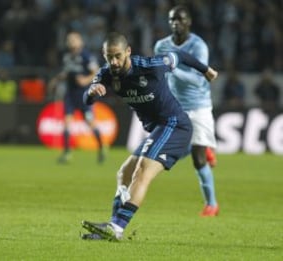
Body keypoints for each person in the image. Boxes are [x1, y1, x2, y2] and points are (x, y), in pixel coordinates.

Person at [80, 32, 218, 241]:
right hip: (158, 128)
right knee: (123, 173)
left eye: (118, 55)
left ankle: (116, 228)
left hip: (175, 124)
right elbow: (87, 99)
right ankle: (112, 226)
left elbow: (179, 55)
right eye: (109, 57)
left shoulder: (150, 65)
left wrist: (206, 70)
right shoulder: (106, 73)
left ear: (128, 51)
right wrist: (91, 92)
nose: (114, 62)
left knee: (142, 171)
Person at [154, 5, 219, 217]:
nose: (176, 23)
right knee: (171, 152)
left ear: (189, 22)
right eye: (172, 19)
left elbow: (198, 79)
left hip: (199, 105)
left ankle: (212, 204)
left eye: (180, 19)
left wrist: (173, 69)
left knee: (198, 160)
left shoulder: (198, 46)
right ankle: (201, 147)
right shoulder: (161, 46)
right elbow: (159, 76)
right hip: (175, 107)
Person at [48, 31, 105, 164]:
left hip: (84, 94)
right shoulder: (67, 56)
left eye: (74, 40)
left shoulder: (86, 56)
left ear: (81, 42)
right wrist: (55, 80)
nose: (71, 42)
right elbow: (67, 72)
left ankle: (101, 147)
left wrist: (86, 80)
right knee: (67, 122)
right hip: (70, 94)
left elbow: (96, 71)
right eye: (69, 40)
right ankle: (67, 152)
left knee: (90, 122)